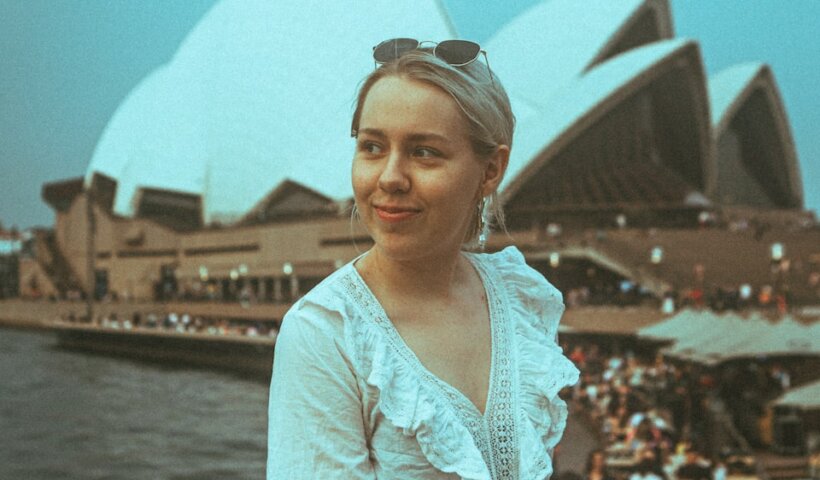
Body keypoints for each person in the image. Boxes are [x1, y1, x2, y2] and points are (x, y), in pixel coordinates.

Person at [267, 38, 579, 479]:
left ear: (490, 170)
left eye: (424, 152)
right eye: (372, 147)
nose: (390, 177)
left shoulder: (517, 298)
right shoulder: (327, 332)